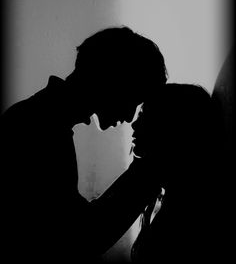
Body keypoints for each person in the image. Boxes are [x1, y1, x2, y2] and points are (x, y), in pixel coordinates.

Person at [0, 26, 168, 262]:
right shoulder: (41, 128)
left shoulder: (36, 119)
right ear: (114, 80)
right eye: (134, 98)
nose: (130, 117)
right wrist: (147, 172)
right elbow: (80, 239)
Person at [130, 82, 228, 263]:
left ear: (172, 126)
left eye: (146, 116)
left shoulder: (189, 214)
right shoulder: (168, 198)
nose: (134, 123)